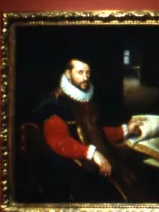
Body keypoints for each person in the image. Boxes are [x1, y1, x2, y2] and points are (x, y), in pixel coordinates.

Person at [31, 58, 148, 203]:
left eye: (88, 73)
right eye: (80, 73)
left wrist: (124, 130)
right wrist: (91, 153)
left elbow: (94, 132)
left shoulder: (85, 101)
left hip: (96, 161)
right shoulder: (55, 105)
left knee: (133, 170)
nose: (86, 77)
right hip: (73, 169)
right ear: (68, 74)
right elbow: (59, 141)